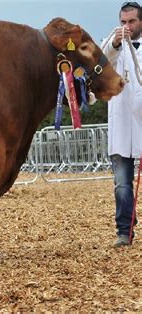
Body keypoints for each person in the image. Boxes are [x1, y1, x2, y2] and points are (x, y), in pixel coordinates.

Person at [103, 1, 141, 247]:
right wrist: (116, 43)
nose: (126, 26)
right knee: (122, 184)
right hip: (122, 122)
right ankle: (124, 231)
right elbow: (101, 58)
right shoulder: (112, 44)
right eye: (123, 22)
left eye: (132, 21)